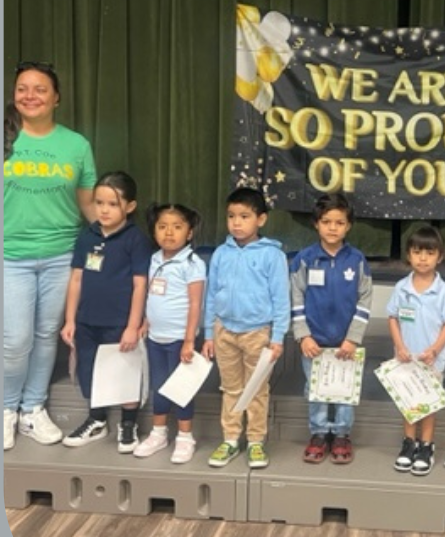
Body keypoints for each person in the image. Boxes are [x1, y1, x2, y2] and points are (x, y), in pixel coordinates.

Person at [1, 63, 96, 448]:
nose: (30, 96)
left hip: (62, 257)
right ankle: (6, 409)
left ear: (56, 97)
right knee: (15, 340)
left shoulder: (76, 145)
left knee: (45, 337)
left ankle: (32, 410)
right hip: (9, 256)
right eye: (22, 89)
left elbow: (88, 205)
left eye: (40, 89)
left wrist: (115, 242)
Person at [61, 172, 150, 450]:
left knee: (125, 372)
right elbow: (76, 279)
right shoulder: (86, 237)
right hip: (87, 321)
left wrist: (132, 326)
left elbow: (139, 285)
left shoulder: (136, 240)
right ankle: (96, 420)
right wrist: (70, 319)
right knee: (90, 370)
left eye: (112, 204)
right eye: (99, 203)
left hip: (119, 322)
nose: (104, 210)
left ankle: (128, 424)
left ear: (130, 207)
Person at [201, 187, 289, 469]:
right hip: (224, 330)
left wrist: (277, 337)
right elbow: (211, 295)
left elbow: (281, 298)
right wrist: (208, 333)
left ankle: (255, 442)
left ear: (260, 219)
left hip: (258, 333)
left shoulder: (272, 255)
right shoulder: (220, 254)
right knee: (230, 388)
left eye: (244, 216)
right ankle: (229, 438)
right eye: (231, 216)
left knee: (256, 389)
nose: (236, 222)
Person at [292, 192, 372, 465]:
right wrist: (303, 335)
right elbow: (296, 298)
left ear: (348, 225)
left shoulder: (357, 260)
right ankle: (318, 434)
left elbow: (365, 300)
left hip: (345, 343)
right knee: (315, 390)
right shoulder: (304, 259)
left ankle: (341, 435)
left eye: (339, 222)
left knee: (344, 390)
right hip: (314, 342)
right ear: (316, 223)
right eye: (326, 221)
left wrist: (352, 339)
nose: (332, 228)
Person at [387, 225, 445, 476]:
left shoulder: (443, 291)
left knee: (427, 406)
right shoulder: (401, 288)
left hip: (431, 361)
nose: (423, 258)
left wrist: (436, 349)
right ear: (409, 255)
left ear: (439, 256)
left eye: (429, 253)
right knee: (409, 404)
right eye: (417, 252)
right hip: (406, 359)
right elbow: (393, 318)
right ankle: (409, 444)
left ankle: (426, 446)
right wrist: (399, 346)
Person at [134, 204, 205, 463]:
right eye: (162, 227)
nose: (169, 233)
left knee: (181, 389)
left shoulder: (192, 263)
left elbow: (196, 303)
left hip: (179, 339)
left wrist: (189, 340)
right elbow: (151, 293)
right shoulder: (153, 259)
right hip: (155, 337)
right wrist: (144, 320)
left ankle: (185, 437)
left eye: (177, 227)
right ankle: (158, 433)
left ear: (189, 233)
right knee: (160, 386)